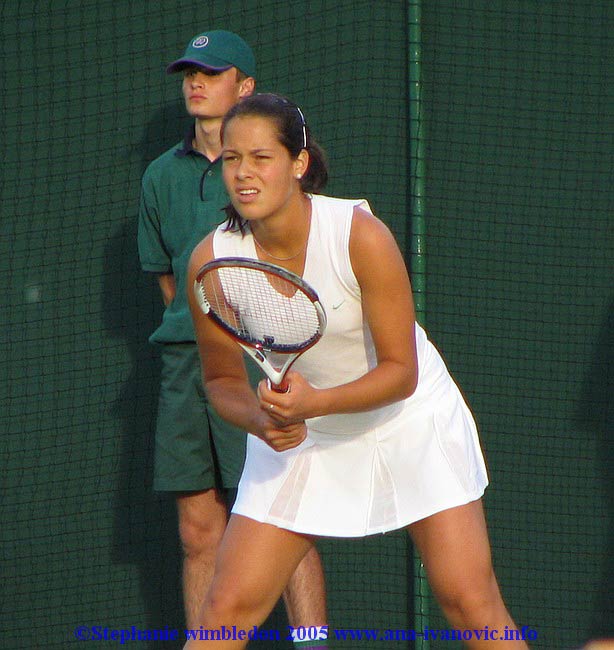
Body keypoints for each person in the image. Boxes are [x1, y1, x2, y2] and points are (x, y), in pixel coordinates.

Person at [184, 92, 530, 649]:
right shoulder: (212, 262)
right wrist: (261, 419)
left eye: (261, 157)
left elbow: (402, 373)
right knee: (227, 607)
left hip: (407, 419)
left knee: (470, 602)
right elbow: (222, 381)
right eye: (231, 159)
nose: (243, 173)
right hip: (302, 436)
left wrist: (313, 404)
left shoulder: (359, 236)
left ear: (298, 164)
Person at [137, 34, 327, 647]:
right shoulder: (161, 176)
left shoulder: (269, 168)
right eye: (189, 73)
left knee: (283, 521)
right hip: (185, 370)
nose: (195, 83)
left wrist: (248, 341)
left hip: (262, 361)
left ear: (244, 87)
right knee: (199, 531)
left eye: (211, 73)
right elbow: (171, 280)